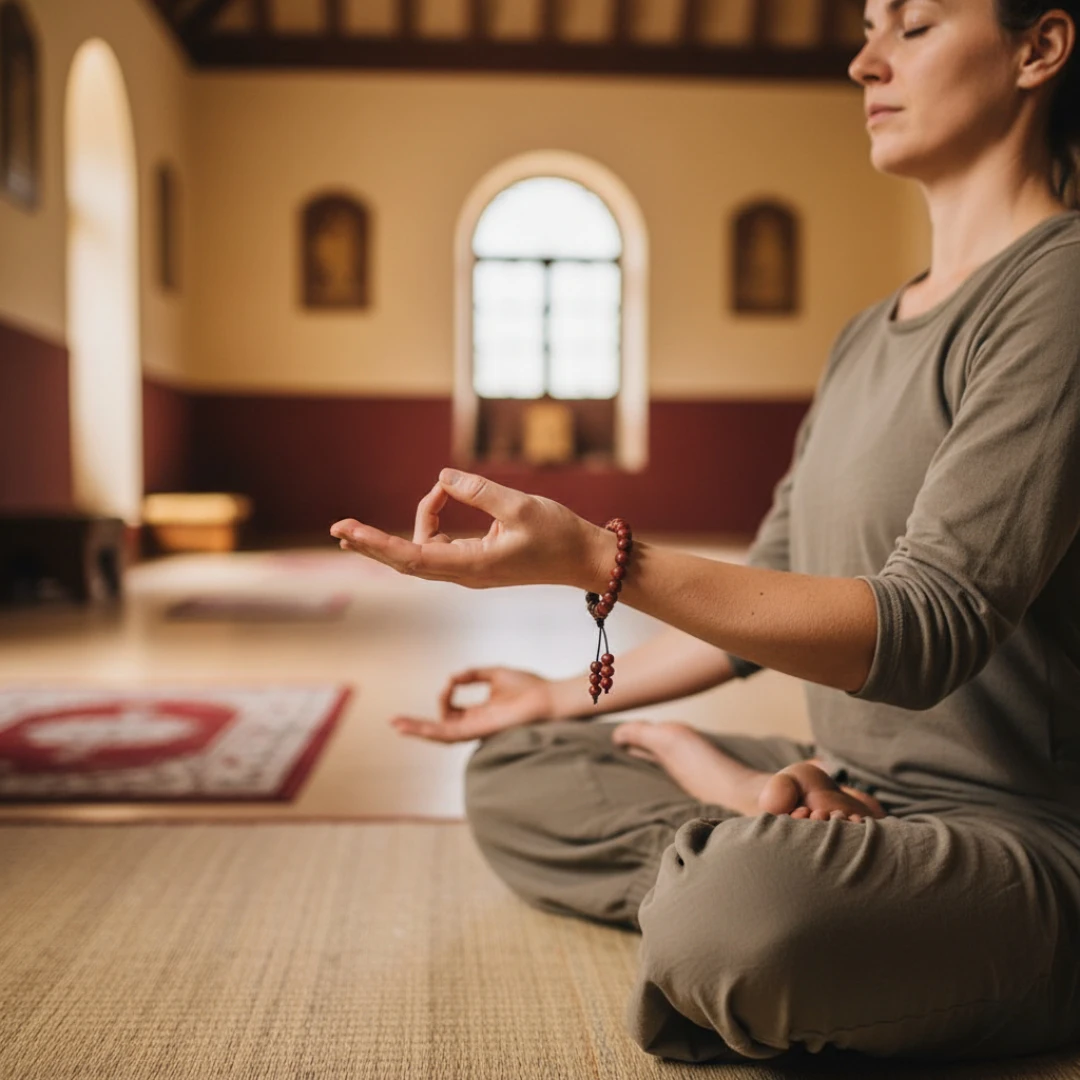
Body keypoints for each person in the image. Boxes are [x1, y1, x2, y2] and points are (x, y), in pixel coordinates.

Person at [331, 0, 1080, 1064]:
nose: (866, 60)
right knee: (517, 768)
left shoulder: (1060, 287)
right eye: (869, 27)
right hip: (845, 787)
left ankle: (751, 864)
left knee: (747, 922)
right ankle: (772, 838)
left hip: (1024, 836)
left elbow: (928, 630)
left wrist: (603, 565)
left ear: (1040, 49)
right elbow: (764, 594)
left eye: (913, 27)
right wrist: (553, 695)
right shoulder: (868, 333)